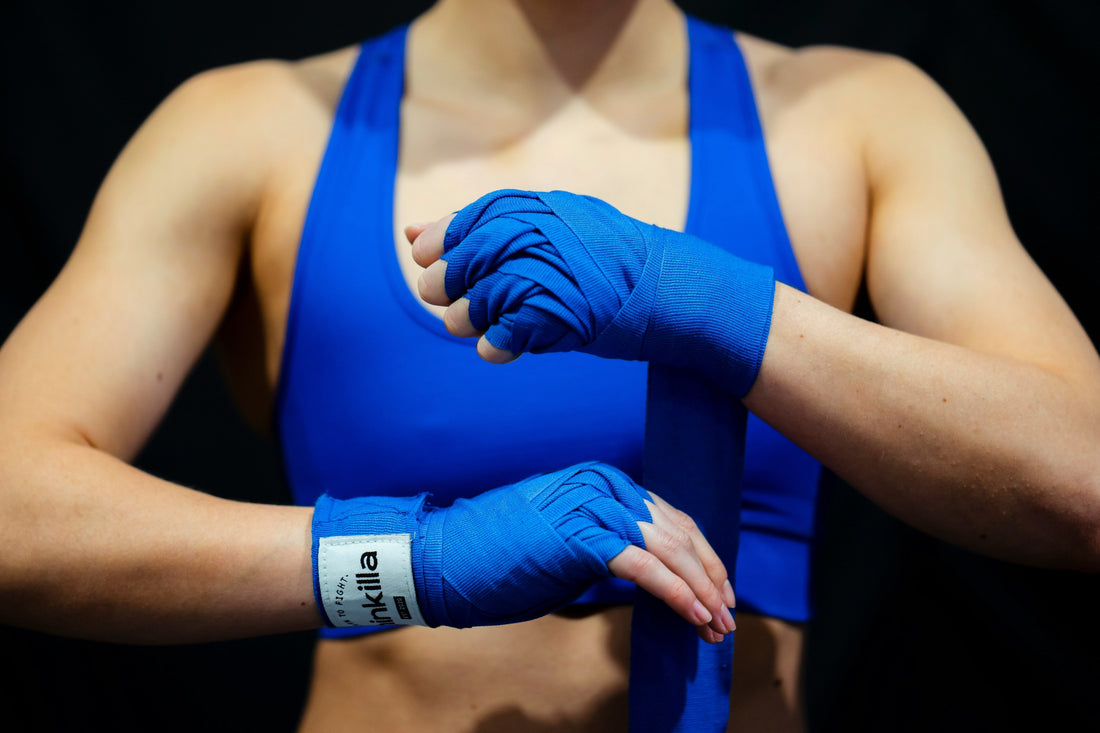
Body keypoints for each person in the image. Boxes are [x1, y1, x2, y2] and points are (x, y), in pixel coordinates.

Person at [0, 1, 1097, 732]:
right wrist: (414, 560)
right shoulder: (244, 132)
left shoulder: (860, 118)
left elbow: (1079, 477)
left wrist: (694, 296)